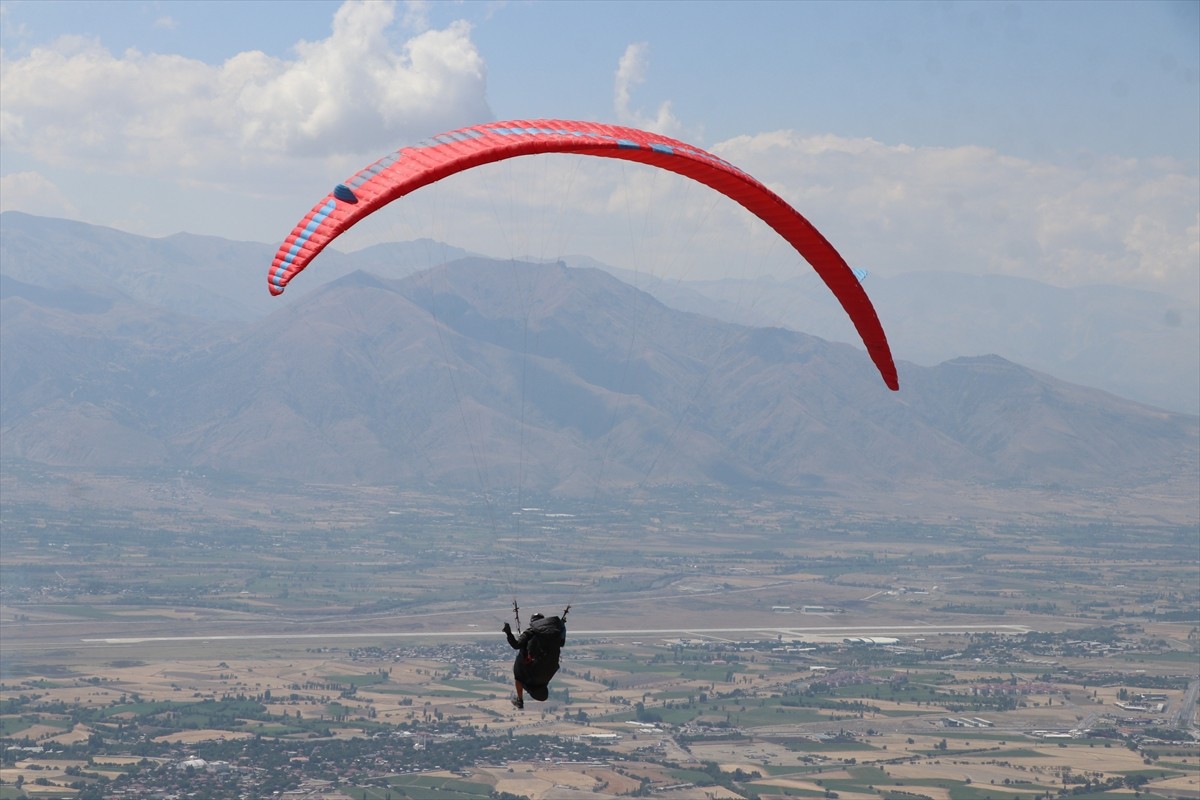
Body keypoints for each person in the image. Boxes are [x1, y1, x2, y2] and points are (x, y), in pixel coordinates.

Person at [502, 612, 566, 709]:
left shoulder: (531, 631)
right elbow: (561, 642)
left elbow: (516, 645)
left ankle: (520, 700)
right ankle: (520, 700)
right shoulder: (554, 633)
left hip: (534, 669)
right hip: (544, 669)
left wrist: (508, 632)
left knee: (518, 676)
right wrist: (561, 625)